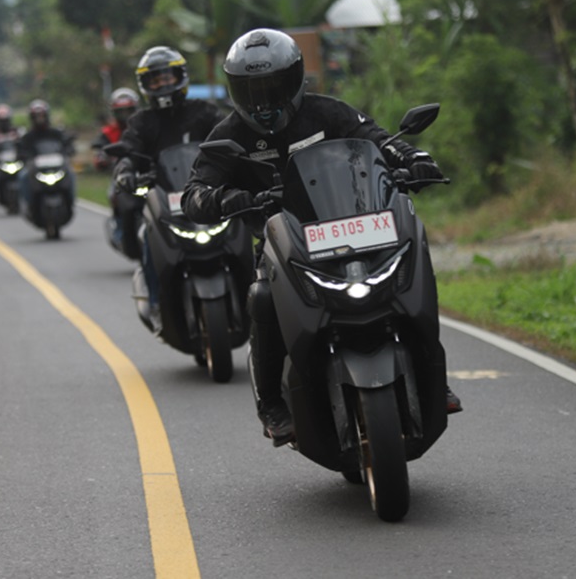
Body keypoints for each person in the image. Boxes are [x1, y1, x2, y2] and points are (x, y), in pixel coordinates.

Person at [182, 28, 462, 447]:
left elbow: (379, 140)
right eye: (251, 90)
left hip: (355, 225)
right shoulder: (227, 136)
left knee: (414, 258)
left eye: (273, 85)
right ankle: (272, 404)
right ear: (234, 89)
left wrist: (415, 159)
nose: (263, 101)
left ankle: (432, 377)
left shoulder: (328, 112)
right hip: (285, 242)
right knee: (261, 297)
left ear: (295, 79)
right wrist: (223, 199)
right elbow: (193, 193)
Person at [111, 46, 225, 321]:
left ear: (180, 77)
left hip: (205, 194)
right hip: (163, 198)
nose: (163, 84)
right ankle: (156, 302)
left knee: (245, 224)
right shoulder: (142, 122)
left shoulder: (205, 112)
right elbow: (129, 149)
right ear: (146, 85)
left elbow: (226, 135)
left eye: (167, 77)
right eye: (156, 79)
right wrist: (125, 169)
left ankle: (257, 288)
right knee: (145, 237)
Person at [17, 99, 74, 215]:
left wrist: (69, 149)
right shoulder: (28, 136)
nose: (40, 119)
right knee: (22, 176)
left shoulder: (56, 133)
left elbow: (66, 144)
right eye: (37, 116)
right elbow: (21, 149)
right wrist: (23, 155)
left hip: (56, 166)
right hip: (36, 168)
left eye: (42, 116)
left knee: (70, 174)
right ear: (32, 118)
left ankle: (71, 201)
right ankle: (28, 203)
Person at [92, 88, 140, 172]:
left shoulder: (144, 127)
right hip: (120, 173)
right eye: (121, 112)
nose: (125, 116)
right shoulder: (109, 131)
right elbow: (100, 149)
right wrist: (102, 157)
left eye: (128, 111)